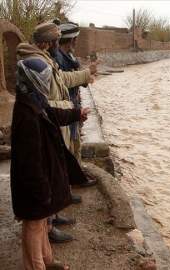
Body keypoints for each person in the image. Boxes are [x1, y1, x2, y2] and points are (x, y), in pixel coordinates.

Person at [16, 22, 96, 243]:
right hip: (49, 123)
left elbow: (60, 82)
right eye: (55, 41)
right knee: (47, 175)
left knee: (55, 171)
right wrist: (71, 109)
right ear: (48, 43)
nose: (58, 45)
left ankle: (53, 216)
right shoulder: (37, 63)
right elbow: (43, 102)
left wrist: (85, 75)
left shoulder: (44, 58)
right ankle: (48, 226)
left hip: (54, 119)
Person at [11, 57, 89, 270]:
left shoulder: (32, 100)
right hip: (33, 184)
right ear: (33, 80)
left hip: (38, 180)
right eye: (44, 78)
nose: (47, 82)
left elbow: (51, 113)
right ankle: (36, 266)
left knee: (41, 222)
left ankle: (46, 260)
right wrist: (41, 190)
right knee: (34, 226)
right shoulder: (26, 114)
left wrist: (76, 114)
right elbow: (30, 162)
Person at [53, 22, 84, 163]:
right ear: (71, 40)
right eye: (76, 39)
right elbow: (64, 81)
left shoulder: (70, 57)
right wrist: (86, 75)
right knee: (69, 147)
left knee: (75, 144)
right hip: (66, 109)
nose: (77, 42)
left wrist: (85, 77)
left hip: (73, 108)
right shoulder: (59, 58)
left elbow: (79, 81)